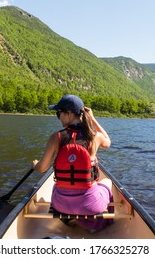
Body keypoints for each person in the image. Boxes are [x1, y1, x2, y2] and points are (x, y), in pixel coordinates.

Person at [32, 94, 113, 232]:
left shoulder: (56, 137)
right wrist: (93, 119)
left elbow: (41, 168)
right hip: (90, 206)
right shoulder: (94, 137)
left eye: (59, 113)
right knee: (107, 183)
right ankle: (100, 224)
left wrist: (35, 165)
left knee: (55, 186)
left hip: (60, 205)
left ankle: (67, 218)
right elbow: (108, 142)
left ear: (69, 114)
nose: (58, 117)